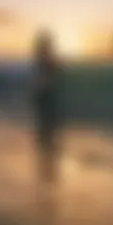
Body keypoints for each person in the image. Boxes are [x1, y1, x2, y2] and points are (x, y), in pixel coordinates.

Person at [32, 29, 63, 186]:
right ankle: (47, 149)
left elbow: (49, 68)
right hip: (44, 92)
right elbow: (53, 67)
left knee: (44, 124)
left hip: (40, 92)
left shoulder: (40, 54)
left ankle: (45, 148)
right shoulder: (44, 56)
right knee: (48, 124)